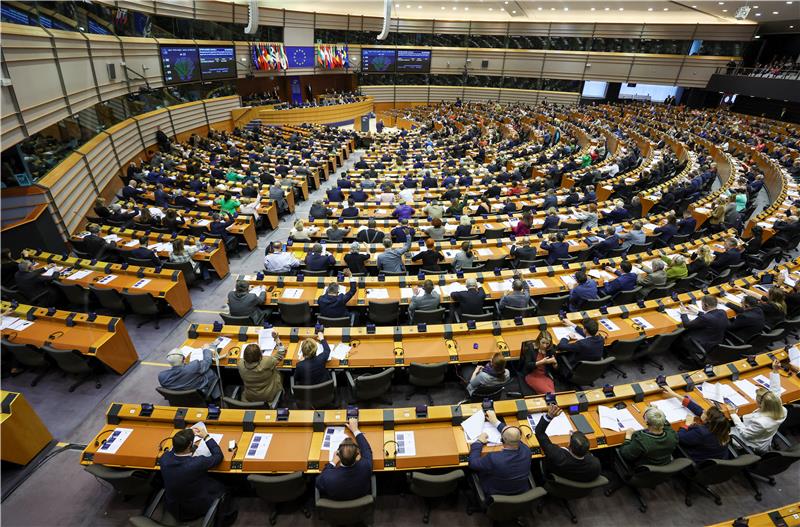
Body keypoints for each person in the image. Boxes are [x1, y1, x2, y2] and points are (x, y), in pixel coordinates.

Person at [159, 426, 228, 522]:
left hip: (174, 507)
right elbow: (218, 456)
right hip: (195, 508)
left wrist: (187, 436)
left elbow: (172, 452)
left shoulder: (164, 458)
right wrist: (206, 437)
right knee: (223, 486)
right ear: (189, 445)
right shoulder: (197, 463)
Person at [468, 410, 532, 496]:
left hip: (496, 493)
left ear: (502, 440)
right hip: (520, 491)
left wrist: (478, 442)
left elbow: (473, 463)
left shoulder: (494, 459)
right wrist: (495, 421)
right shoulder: (527, 451)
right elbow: (512, 435)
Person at [730, 359, 787, 453]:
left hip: (751, 443)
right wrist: (775, 371)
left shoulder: (760, 422)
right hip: (763, 436)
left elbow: (745, 434)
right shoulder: (781, 409)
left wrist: (733, 415)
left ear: (761, 404)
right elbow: (776, 391)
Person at [661, 386, 730, 462]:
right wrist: (674, 394)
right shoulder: (722, 427)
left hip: (697, 461)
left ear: (708, 420)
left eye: (705, 412)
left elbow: (679, 437)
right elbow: (698, 410)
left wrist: (686, 425)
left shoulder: (701, 432)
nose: (703, 411)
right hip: (718, 462)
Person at [536, 404, 601, 480]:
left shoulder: (556, 456)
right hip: (582, 489)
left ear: (569, 444)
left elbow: (539, 432)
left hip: (557, 484)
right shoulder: (595, 464)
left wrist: (549, 416)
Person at [315, 417, 373, 501]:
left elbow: (318, 483)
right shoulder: (366, 466)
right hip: (360, 498)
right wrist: (355, 430)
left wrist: (332, 462)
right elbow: (366, 450)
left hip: (336, 504)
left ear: (337, 454)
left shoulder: (328, 477)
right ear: (357, 456)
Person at [238, 337, 286, 403]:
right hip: (269, 396)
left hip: (251, 397)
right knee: (280, 373)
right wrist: (277, 339)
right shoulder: (266, 362)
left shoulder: (240, 364)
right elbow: (281, 353)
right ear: (260, 356)